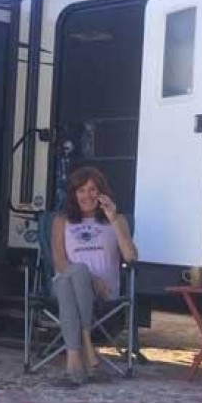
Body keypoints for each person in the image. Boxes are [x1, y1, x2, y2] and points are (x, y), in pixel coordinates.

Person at [51, 166, 137, 387]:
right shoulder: (62, 220)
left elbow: (131, 256)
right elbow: (60, 263)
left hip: (104, 294)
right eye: (81, 190)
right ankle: (87, 349)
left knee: (71, 281)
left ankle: (74, 362)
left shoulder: (116, 220)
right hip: (69, 282)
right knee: (76, 273)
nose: (86, 195)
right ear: (73, 194)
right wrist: (90, 278)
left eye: (92, 190)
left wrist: (113, 217)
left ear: (102, 193)